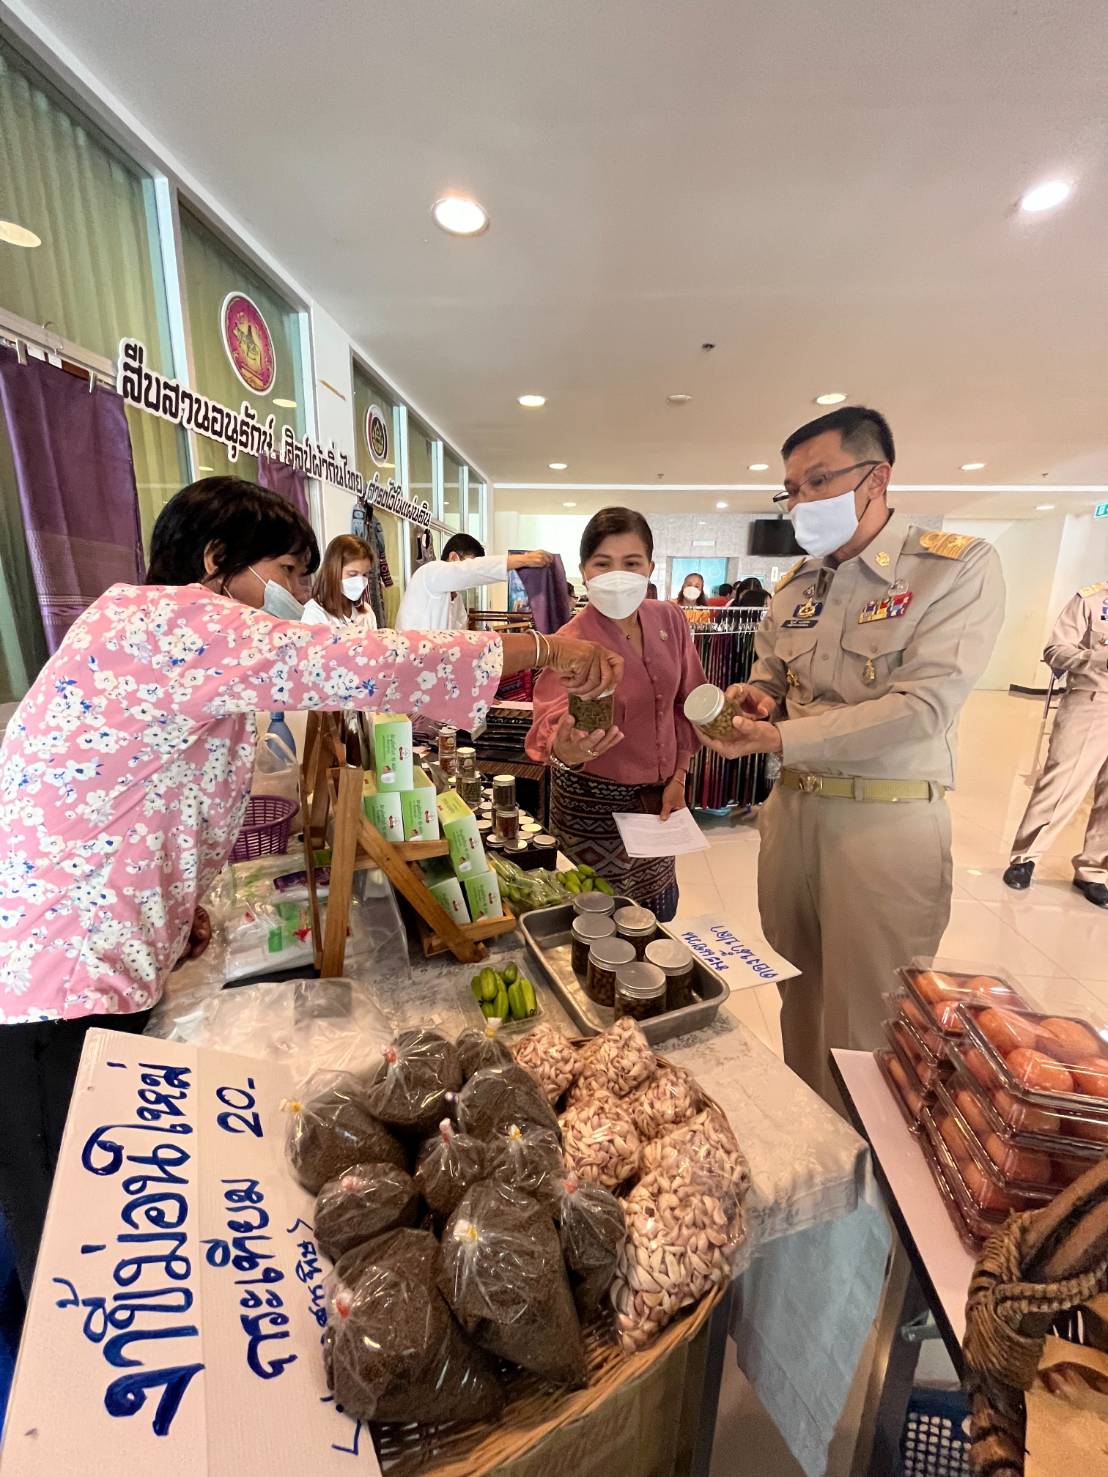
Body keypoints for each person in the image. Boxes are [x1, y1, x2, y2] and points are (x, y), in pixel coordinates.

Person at [0, 476, 622, 1294]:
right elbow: (354, 660)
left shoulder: (174, 643)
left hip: (95, 949)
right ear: (218, 559)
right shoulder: (168, 620)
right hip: (55, 979)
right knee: (69, 1241)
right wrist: (542, 650)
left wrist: (172, 906)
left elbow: (146, 792)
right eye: (291, 575)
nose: (301, 596)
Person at [699, 406, 1005, 1105]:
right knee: (798, 1001)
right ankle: (816, 1155)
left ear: (876, 477)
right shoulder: (796, 587)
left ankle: (871, 1191)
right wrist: (753, 696)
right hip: (792, 822)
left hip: (884, 827)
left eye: (818, 480)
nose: (801, 500)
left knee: (871, 1026)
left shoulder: (952, 570)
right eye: (792, 488)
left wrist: (783, 737)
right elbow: (774, 678)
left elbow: (923, 708)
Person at [526, 507, 707, 921]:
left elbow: (687, 702)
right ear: (584, 571)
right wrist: (565, 748)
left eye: (631, 563)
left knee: (655, 918)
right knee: (594, 925)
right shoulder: (569, 641)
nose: (617, 574)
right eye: (603, 563)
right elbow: (549, 726)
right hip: (590, 809)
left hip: (659, 803)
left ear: (650, 567)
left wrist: (679, 776)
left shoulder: (670, 619)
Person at [1003, 581, 1108, 907]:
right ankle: (1025, 858)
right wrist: (1098, 658)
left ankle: (1094, 871)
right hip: (1093, 699)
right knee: (1060, 782)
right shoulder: (1092, 599)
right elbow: (1056, 650)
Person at [395, 532, 552, 631]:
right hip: (413, 665)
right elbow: (472, 571)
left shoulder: (456, 598)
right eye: (470, 562)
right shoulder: (431, 572)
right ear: (453, 558)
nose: (473, 571)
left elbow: (461, 635)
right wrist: (522, 560)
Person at [302, 532, 378, 629]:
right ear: (333, 571)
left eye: (364, 574)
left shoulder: (366, 612)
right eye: (353, 574)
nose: (359, 582)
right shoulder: (314, 613)